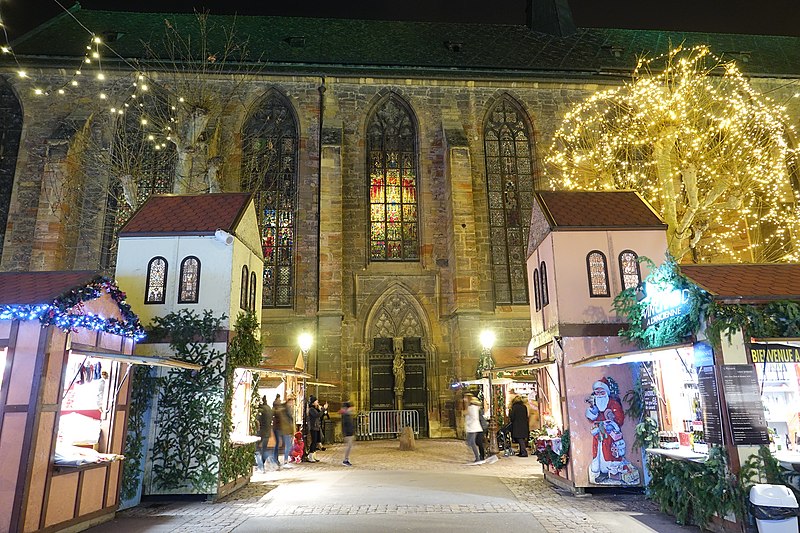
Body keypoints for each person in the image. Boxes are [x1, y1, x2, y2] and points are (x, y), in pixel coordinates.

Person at [464, 394, 484, 464]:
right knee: (469, 443)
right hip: (472, 427)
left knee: (471, 443)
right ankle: (476, 457)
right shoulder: (473, 407)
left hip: (473, 428)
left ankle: (477, 458)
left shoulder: (472, 408)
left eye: (466, 398)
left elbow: (473, 417)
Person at [256, 395, 274, 472]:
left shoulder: (261, 410)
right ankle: (263, 464)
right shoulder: (269, 408)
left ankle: (261, 466)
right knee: (264, 449)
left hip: (261, 432)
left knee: (256, 450)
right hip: (267, 431)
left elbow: (257, 420)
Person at [278, 395, 296, 467]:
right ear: (289, 402)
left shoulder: (284, 409)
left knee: (288, 445)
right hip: (287, 430)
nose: (293, 404)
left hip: (285, 430)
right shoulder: (287, 410)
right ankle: (285, 461)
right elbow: (289, 422)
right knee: (288, 446)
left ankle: (286, 460)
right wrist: (292, 430)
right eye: (292, 402)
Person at [307, 395, 322, 462]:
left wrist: (321, 409)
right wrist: (323, 409)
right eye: (316, 401)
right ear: (313, 402)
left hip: (316, 427)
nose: (317, 402)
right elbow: (317, 415)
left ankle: (314, 456)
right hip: (313, 427)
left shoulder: (315, 409)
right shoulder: (311, 409)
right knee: (313, 441)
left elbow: (320, 415)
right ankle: (310, 456)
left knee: (316, 441)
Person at [340, 401, 355, 466]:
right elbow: (345, 425)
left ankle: (346, 459)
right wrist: (347, 433)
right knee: (348, 447)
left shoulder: (347, 414)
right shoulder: (346, 415)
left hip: (349, 433)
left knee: (349, 446)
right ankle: (345, 460)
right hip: (348, 433)